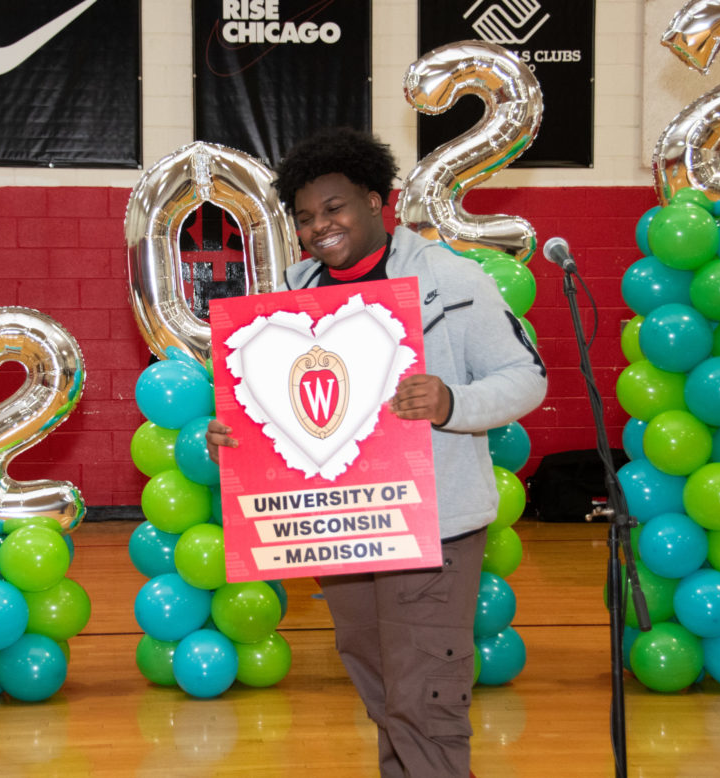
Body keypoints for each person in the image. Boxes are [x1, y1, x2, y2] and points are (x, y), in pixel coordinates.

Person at [207, 127, 547, 777]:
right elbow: (284, 413)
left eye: (333, 208)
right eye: (304, 217)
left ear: (373, 200)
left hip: (434, 525)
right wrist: (235, 435)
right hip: (341, 526)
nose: (319, 227)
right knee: (383, 687)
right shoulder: (292, 297)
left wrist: (451, 402)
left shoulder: (450, 277)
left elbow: (525, 377)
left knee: (426, 695)